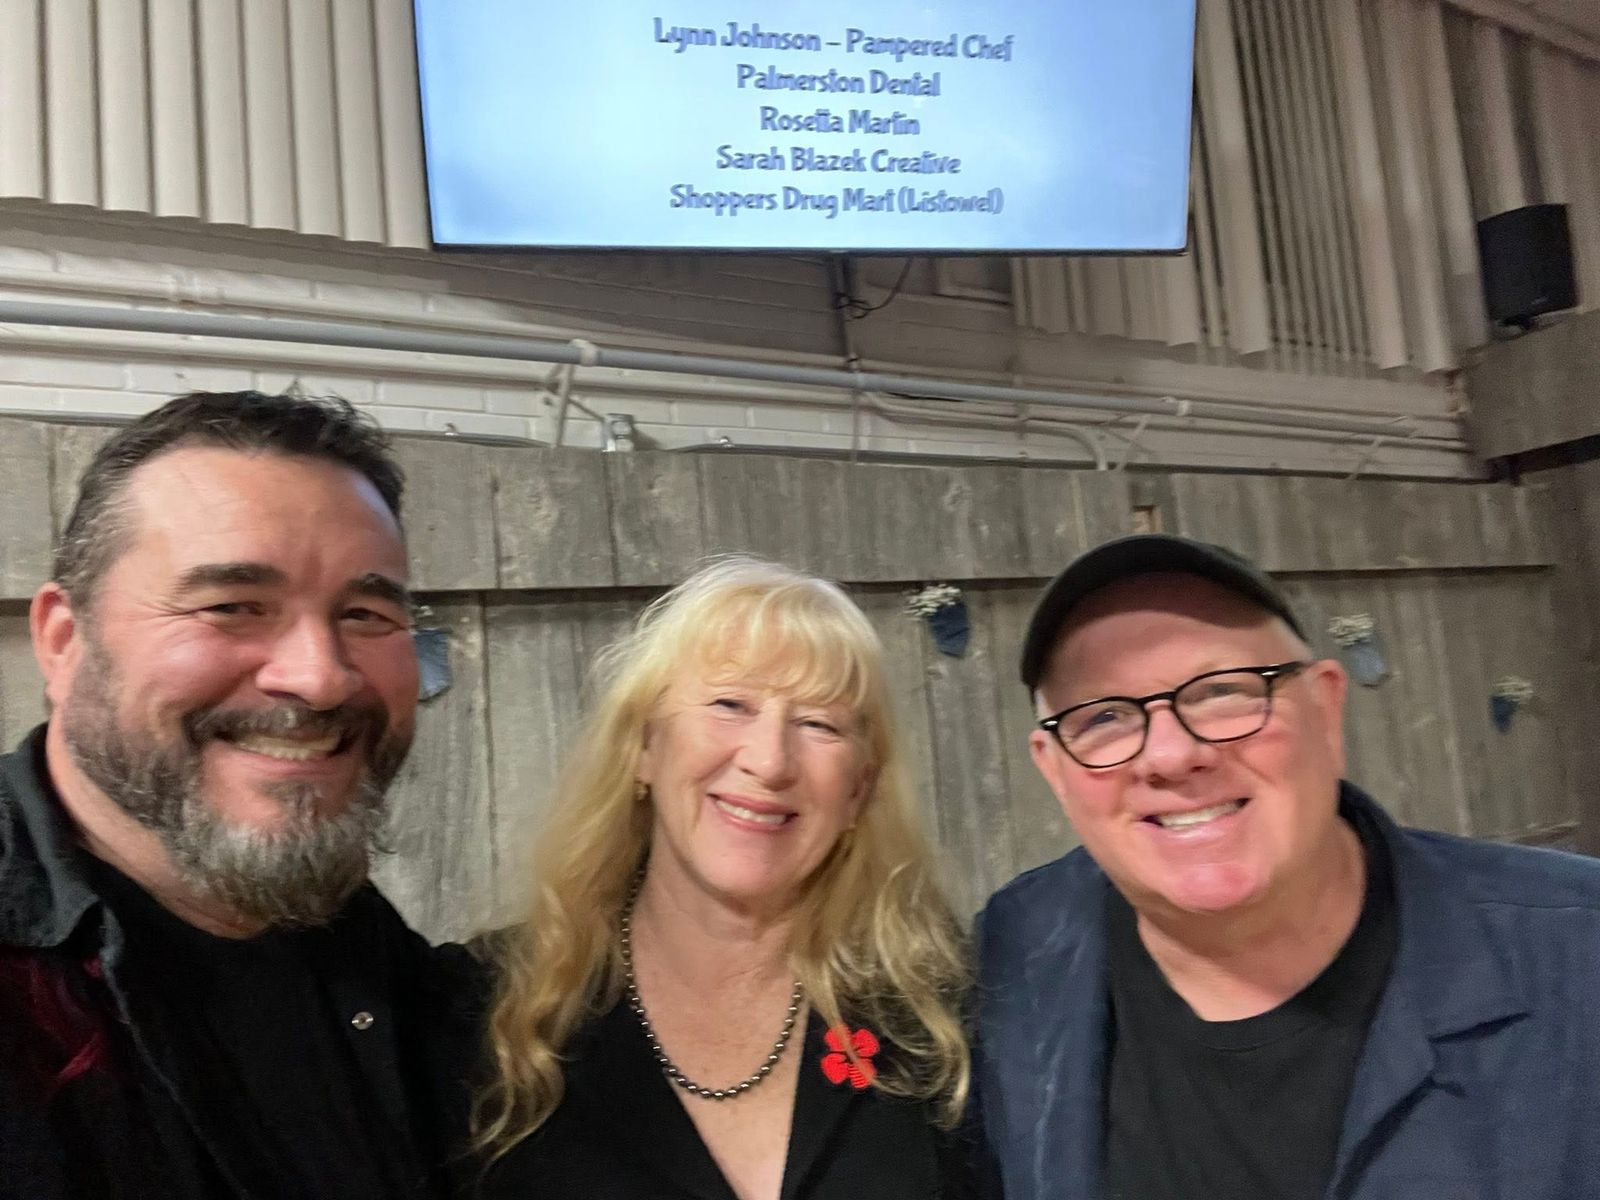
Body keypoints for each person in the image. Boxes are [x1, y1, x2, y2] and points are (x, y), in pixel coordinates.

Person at [974, 533, 1600, 1198]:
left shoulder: (1577, 955)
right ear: (1053, 769)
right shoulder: (1016, 952)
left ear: (1326, 708)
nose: (1171, 756)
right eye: (1103, 717)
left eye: (1221, 691)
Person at [0, 391, 473, 1199]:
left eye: (365, 614)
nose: (321, 678)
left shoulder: (353, 942)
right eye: (231, 607)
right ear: (64, 641)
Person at [466, 558, 976, 1200]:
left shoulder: (942, 1014)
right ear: (643, 746)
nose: (770, 761)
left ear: (858, 790)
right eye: (730, 704)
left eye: (818, 723)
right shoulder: (491, 1008)